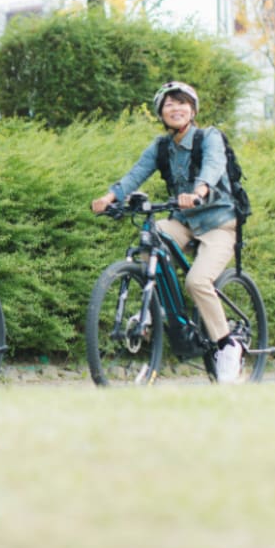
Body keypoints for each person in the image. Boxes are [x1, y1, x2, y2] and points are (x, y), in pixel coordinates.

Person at [90, 81, 243, 384]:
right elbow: (136, 173)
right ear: (161, 112)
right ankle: (152, 306)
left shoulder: (208, 137)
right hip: (184, 221)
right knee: (152, 232)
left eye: (182, 103)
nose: (176, 108)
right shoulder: (161, 147)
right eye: (169, 104)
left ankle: (228, 346)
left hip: (218, 223)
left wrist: (198, 191)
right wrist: (109, 198)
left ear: (192, 109)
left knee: (198, 281)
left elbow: (212, 167)